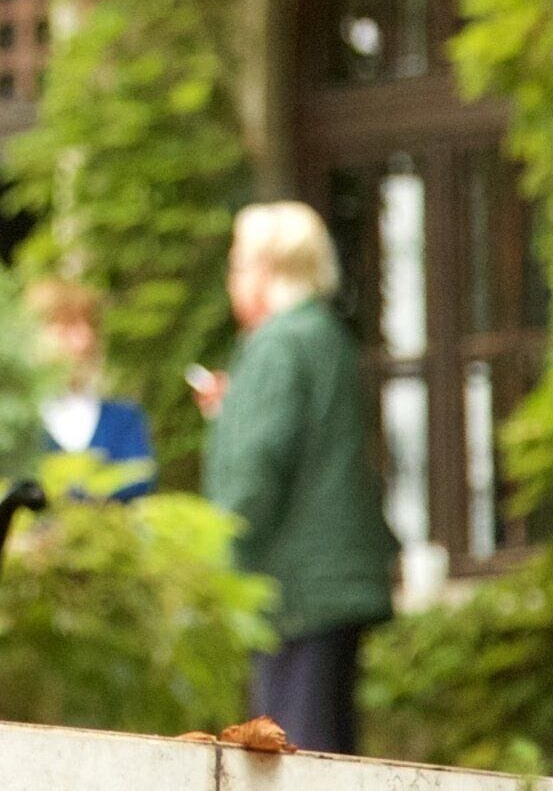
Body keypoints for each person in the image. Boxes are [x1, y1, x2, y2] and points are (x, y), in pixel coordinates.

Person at [194, 201, 396, 754]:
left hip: (293, 587)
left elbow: (258, 468)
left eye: (238, 266)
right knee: (329, 754)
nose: (232, 280)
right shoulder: (324, 333)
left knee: (291, 759)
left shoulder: (277, 343)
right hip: (333, 581)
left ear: (267, 272)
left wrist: (212, 557)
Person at [27, 275, 155, 499]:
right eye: (68, 327)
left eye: (90, 326)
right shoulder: (18, 426)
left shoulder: (124, 420)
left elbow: (140, 483)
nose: (85, 340)